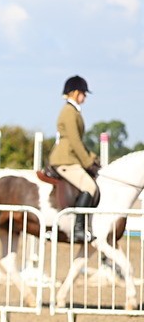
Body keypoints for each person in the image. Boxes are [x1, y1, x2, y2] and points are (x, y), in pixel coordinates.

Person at [48, 75, 99, 243]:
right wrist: (88, 162)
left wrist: (93, 158)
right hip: (65, 159)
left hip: (71, 156)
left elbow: (78, 142)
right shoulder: (69, 111)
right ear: (76, 92)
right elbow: (75, 141)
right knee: (89, 186)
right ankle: (78, 230)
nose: (85, 96)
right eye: (83, 93)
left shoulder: (73, 110)